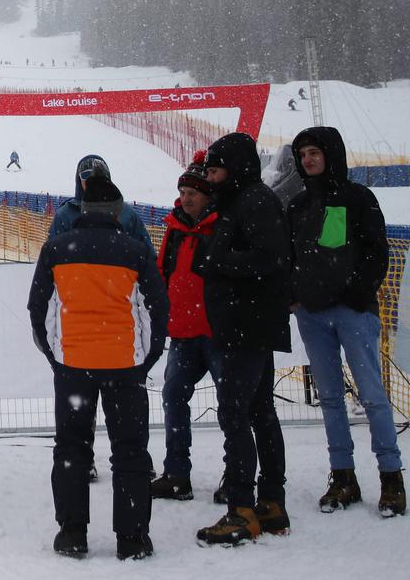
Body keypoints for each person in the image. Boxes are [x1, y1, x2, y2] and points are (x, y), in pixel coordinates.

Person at [28, 176, 169, 560]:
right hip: (124, 366)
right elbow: (158, 309)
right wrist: (144, 361)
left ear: (83, 209)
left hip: (73, 366)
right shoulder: (136, 251)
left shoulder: (56, 249)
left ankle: (72, 533)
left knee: (72, 447)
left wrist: (56, 357)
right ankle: (133, 537)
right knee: (130, 449)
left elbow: (37, 308)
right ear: (118, 212)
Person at [287, 126, 405, 517]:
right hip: (312, 314)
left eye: (314, 152)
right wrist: (295, 296)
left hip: (353, 312)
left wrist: (357, 293)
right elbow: (288, 257)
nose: (307, 159)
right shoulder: (298, 205)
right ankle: (343, 477)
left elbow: (376, 251)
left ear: (331, 154)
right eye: (302, 154)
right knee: (331, 399)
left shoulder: (358, 199)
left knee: (372, 396)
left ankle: (391, 478)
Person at [192, 132, 291, 546]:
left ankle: (242, 509)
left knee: (237, 414)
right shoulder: (242, 201)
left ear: (233, 169)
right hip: (246, 323)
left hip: (246, 326)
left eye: (214, 171)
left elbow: (271, 258)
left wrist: (216, 260)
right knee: (258, 411)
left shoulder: (253, 202)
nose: (209, 179)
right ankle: (268, 502)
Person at [49, 155, 157, 484]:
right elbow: (50, 264)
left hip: (118, 322)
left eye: (96, 175)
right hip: (78, 322)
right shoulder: (66, 215)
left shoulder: (127, 214)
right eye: (85, 175)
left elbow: (147, 260)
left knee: (125, 404)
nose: (89, 181)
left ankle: (133, 459)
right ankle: (85, 459)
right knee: (81, 406)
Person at [151, 151, 224, 501]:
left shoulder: (222, 225)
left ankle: (236, 476)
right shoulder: (175, 229)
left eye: (193, 191)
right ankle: (177, 474)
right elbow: (162, 273)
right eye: (183, 191)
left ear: (207, 195)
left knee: (232, 407)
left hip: (217, 333)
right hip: (182, 332)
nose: (187, 197)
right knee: (173, 398)